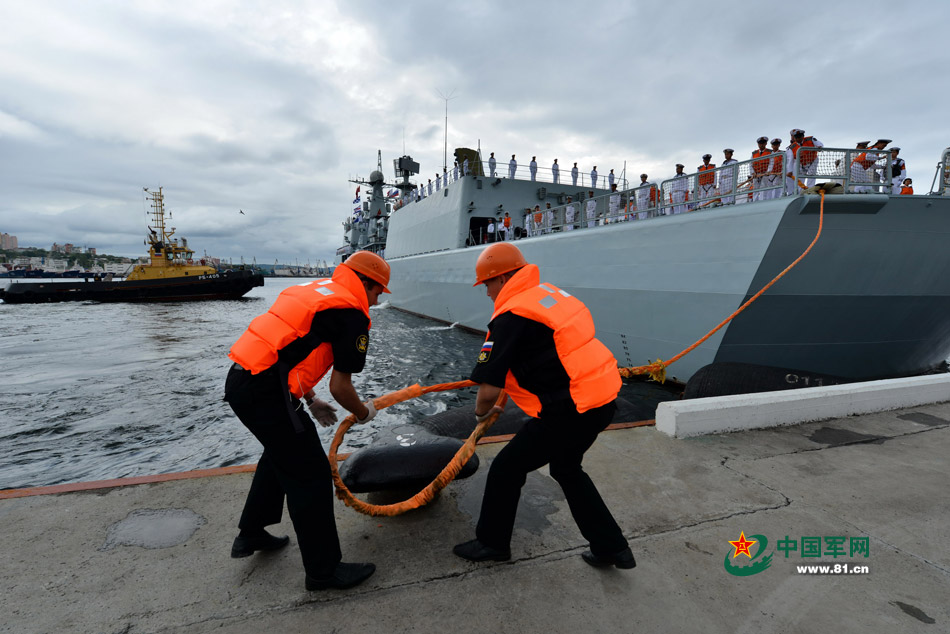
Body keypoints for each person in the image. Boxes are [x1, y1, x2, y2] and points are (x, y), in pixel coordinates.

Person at [453, 243, 634, 571]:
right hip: (603, 399)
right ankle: (612, 548)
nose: (488, 293)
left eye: (489, 284)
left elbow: (488, 389)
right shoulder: (549, 295)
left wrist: (482, 416)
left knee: (506, 468)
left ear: (505, 277)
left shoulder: (510, 317)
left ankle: (492, 543)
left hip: (569, 409)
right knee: (566, 468)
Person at [225, 251, 389, 591]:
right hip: (268, 393)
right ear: (366, 283)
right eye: (377, 292)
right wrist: (363, 413)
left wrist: (310, 400)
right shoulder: (351, 312)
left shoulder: (318, 290)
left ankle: (251, 533)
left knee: (282, 453)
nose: (375, 301)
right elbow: (341, 386)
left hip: (243, 380)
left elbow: (288, 351)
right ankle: (323, 571)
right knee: (310, 473)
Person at [751, 137, 771, 202]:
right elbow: (750, 164)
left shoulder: (770, 152)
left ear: (766, 143)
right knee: (755, 189)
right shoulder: (754, 153)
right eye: (760, 143)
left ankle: (763, 201)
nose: (761, 145)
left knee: (764, 189)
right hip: (756, 175)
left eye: (763, 143)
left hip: (765, 174)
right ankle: (755, 202)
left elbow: (771, 163)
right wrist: (753, 172)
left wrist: (768, 171)